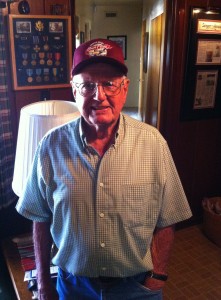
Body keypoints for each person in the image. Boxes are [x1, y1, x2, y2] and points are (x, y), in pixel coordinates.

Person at [16, 38, 192, 300]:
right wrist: (43, 283)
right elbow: (39, 217)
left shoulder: (153, 143)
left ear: (125, 88)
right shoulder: (50, 146)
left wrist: (158, 275)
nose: (99, 96)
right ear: (74, 91)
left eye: (109, 83)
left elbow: (169, 217)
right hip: (73, 287)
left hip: (136, 288)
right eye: (87, 86)